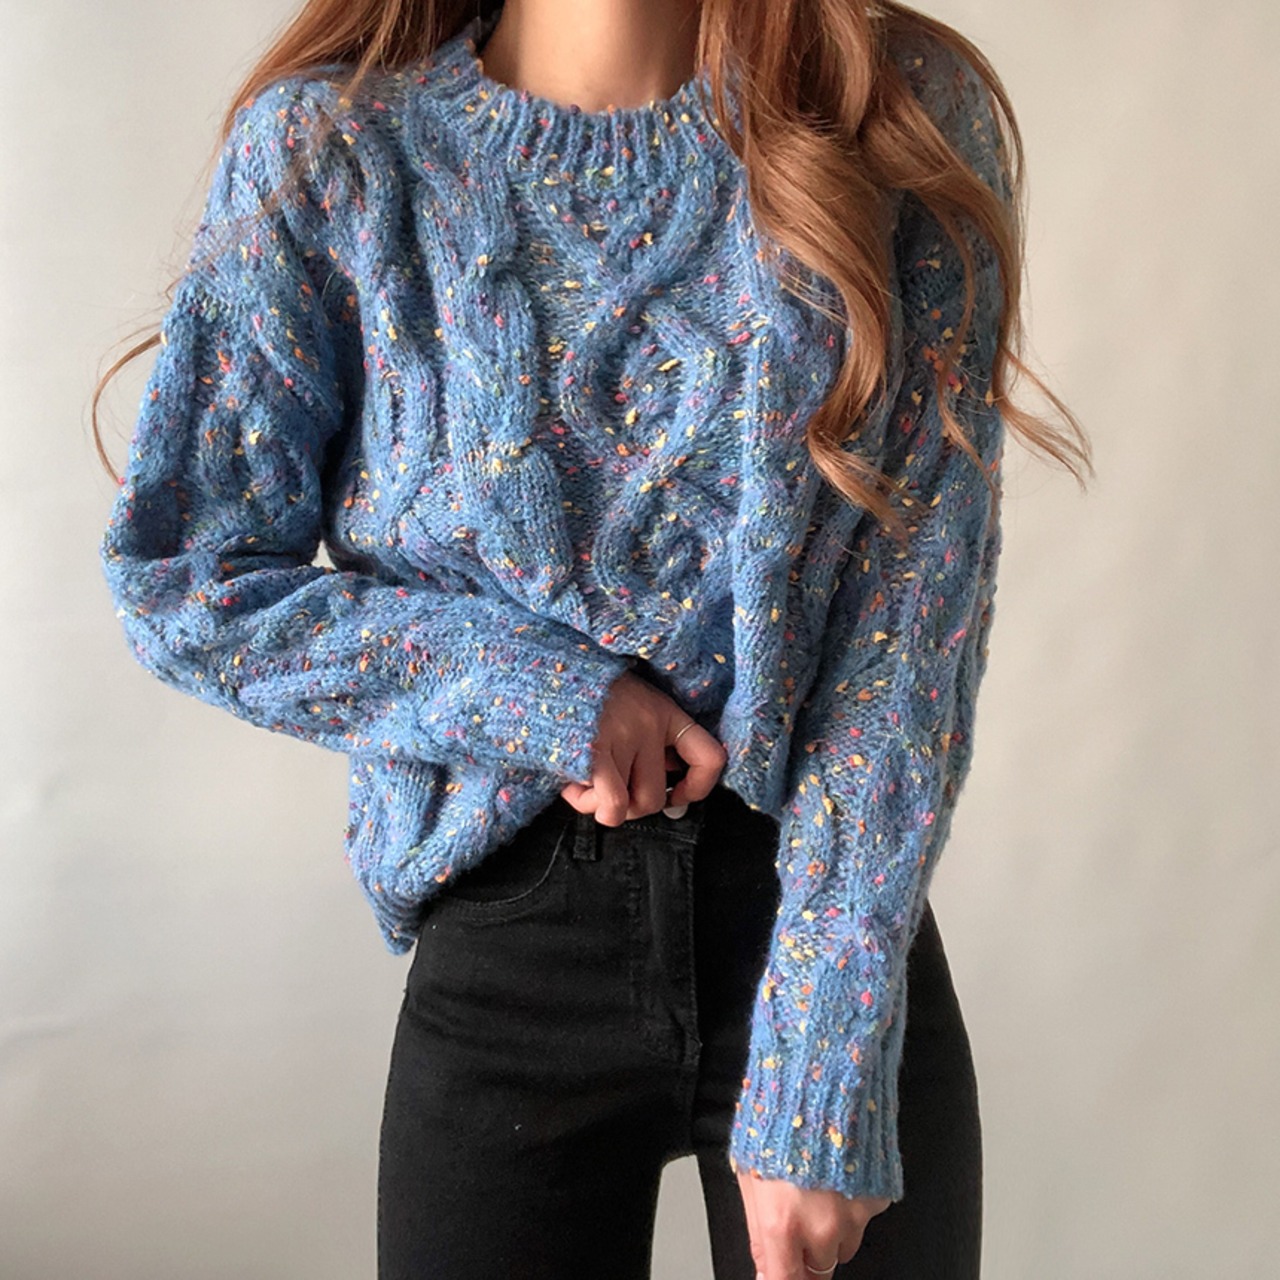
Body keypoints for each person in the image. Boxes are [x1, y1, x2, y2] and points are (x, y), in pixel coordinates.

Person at [93, 0, 1088, 1275]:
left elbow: (909, 628)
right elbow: (188, 575)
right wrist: (541, 695)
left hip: (819, 938)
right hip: (505, 958)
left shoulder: (889, 114)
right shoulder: (334, 155)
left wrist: (821, 1050)